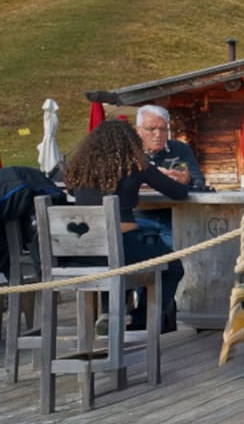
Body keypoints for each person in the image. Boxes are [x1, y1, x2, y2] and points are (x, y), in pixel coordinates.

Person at [64, 119, 188, 333]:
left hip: (83, 251)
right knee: (173, 266)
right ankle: (140, 318)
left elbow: (76, 194)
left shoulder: (80, 168)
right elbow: (178, 192)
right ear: (130, 142)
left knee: (111, 261)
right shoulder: (135, 165)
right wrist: (183, 179)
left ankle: (108, 312)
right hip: (124, 248)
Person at [133, 105, 205, 252]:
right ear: (138, 130)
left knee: (184, 257)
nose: (158, 134)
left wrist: (187, 180)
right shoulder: (130, 152)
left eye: (163, 129)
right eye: (151, 129)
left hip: (174, 215)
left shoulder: (179, 150)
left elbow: (199, 181)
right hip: (138, 216)